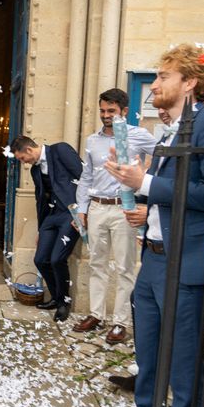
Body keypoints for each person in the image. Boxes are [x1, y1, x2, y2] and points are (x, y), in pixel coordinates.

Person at [94, 44, 204, 407]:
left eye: (164, 77)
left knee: (183, 361)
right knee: (148, 351)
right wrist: (143, 199)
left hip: (186, 262)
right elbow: (176, 195)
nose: (154, 85)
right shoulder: (175, 127)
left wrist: (145, 184)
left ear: (189, 82)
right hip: (153, 257)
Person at [72, 88, 157, 344]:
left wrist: (147, 177)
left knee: (124, 267)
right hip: (97, 207)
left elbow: (168, 159)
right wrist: (82, 210)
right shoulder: (91, 140)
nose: (106, 115)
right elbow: (86, 177)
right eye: (102, 110)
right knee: (96, 263)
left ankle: (120, 323)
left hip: (124, 208)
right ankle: (96, 314)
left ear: (124, 111)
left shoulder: (139, 135)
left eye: (111, 111)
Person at [12, 135, 82, 322]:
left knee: (57, 258)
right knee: (41, 259)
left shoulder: (60, 150)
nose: (23, 163)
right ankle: (56, 297)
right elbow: (40, 200)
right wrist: (41, 229)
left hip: (70, 213)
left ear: (28, 150)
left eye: (21, 158)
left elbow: (84, 177)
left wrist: (83, 213)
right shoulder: (35, 170)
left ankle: (64, 303)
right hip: (51, 217)